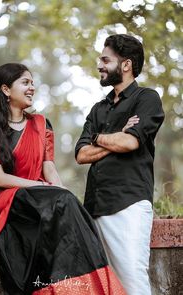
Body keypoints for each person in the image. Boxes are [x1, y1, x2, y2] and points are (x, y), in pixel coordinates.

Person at [0, 63, 126, 295]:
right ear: (6, 90)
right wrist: (41, 186)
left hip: (37, 197)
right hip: (4, 201)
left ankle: (90, 287)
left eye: (33, 83)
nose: (32, 88)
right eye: (25, 82)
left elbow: (50, 169)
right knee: (60, 202)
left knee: (69, 205)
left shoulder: (41, 124)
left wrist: (62, 193)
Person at [75, 34, 165, 295]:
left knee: (132, 281)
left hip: (129, 205)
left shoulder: (147, 99)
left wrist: (97, 139)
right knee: (104, 288)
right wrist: (112, 137)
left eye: (105, 59)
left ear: (126, 65)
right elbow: (81, 155)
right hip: (94, 208)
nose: (99, 65)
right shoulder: (98, 109)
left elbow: (129, 144)